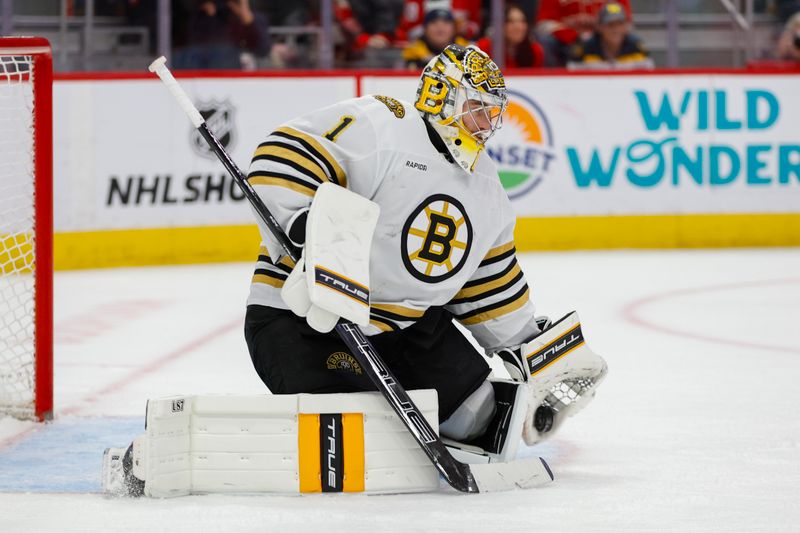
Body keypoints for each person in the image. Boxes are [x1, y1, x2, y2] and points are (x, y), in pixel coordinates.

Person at [242, 44, 606, 452]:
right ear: (441, 94)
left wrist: (528, 345)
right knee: (348, 434)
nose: (486, 124)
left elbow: (490, 282)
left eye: (492, 113)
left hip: (404, 330)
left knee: (482, 422)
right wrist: (303, 224)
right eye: (477, 107)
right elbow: (286, 152)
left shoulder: (486, 185)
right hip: (303, 317)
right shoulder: (382, 123)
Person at [172, 0, 270, 70]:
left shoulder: (237, 14)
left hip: (229, 78)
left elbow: (262, 50)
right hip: (190, 77)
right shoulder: (187, 13)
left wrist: (245, 16)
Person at [535, 0, 632, 66]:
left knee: (631, 40)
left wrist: (600, 27)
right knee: (546, 42)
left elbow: (626, 20)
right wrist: (574, 35)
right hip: (568, 42)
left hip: (603, 40)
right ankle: (552, 81)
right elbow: (544, 24)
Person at [567, 1, 653, 70]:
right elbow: (572, 79)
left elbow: (648, 77)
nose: (615, 29)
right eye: (610, 25)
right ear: (599, 27)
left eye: (620, 24)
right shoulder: (586, 49)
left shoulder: (636, 48)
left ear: (626, 26)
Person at [477, 4, 545, 68]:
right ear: (500, 25)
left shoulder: (535, 51)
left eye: (522, 21)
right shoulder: (484, 48)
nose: (518, 27)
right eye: (511, 22)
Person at [402, 8, 470, 70]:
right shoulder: (412, 52)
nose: (440, 27)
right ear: (425, 29)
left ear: (454, 29)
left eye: (446, 22)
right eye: (433, 22)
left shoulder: (468, 50)